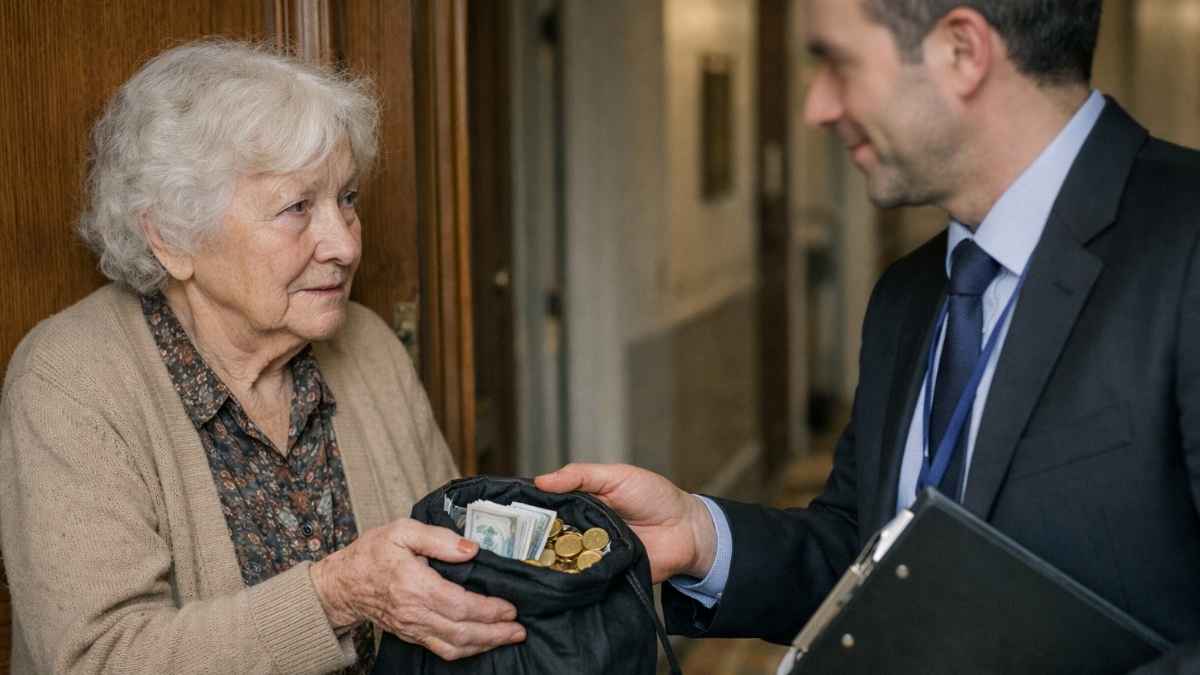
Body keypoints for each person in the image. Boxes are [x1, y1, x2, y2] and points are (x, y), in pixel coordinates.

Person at [537, 0, 1200, 671]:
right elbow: (865, 553)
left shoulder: (1187, 247)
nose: (815, 108)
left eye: (836, 62)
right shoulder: (905, 297)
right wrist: (702, 537)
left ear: (962, 51)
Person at [0, 40, 525, 674]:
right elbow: (99, 660)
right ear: (170, 236)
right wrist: (334, 596)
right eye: (297, 207)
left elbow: (459, 572)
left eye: (348, 199)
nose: (343, 245)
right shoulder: (71, 380)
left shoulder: (370, 346)